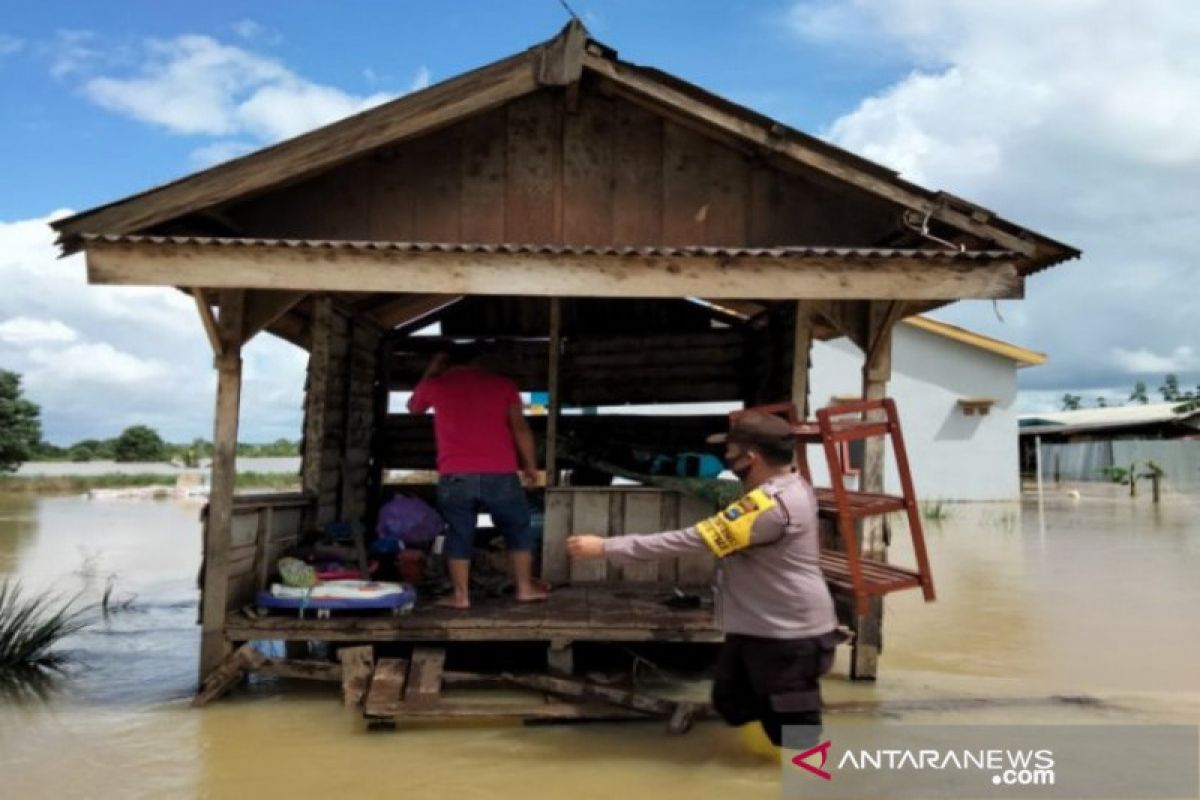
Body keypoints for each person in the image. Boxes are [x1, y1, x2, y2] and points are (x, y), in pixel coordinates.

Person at [567, 411, 839, 747]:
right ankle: (767, 763)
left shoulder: (771, 506)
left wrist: (606, 547)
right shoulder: (788, 487)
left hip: (789, 635)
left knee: (796, 732)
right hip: (757, 626)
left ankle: (811, 778)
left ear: (750, 457)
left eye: (731, 451)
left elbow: (691, 540)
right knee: (731, 701)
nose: (725, 457)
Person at [407, 344, 547, 609]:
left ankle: (461, 597)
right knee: (518, 528)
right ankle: (525, 588)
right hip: (501, 473)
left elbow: (414, 407)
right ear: (480, 361)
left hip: (456, 474)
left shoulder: (437, 384)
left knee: (459, 533)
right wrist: (530, 465)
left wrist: (431, 369)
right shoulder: (503, 385)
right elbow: (520, 428)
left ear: (446, 361)